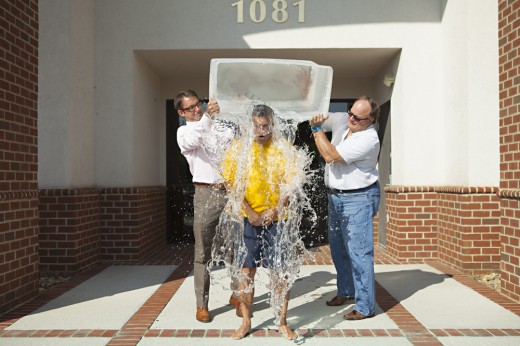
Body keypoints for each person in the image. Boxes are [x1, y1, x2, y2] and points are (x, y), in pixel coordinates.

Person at [222, 105, 298, 340]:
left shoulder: (284, 149)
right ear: (250, 125)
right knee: (247, 272)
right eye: (257, 125)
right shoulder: (239, 148)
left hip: (277, 218)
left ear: (272, 124)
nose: (261, 130)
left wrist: (275, 209)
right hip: (247, 217)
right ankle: (246, 321)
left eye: (265, 126)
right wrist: (248, 210)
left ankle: (282, 322)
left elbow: (292, 184)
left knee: (279, 272)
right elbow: (230, 184)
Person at [309, 96, 381, 321]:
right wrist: (311, 109)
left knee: (359, 253)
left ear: (369, 120)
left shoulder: (369, 139)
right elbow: (317, 116)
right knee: (339, 249)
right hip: (336, 197)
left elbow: (331, 156)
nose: (350, 118)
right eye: (350, 112)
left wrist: (316, 128)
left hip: (357, 198)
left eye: (357, 118)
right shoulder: (344, 120)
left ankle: (365, 306)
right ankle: (347, 291)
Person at [175, 90, 239, 323]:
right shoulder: (184, 131)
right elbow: (195, 140)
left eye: (198, 104)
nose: (197, 109)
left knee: (235, 247)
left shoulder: (217, 124)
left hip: (230, 191)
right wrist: (208, 119)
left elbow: (236, 145)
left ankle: (237, 295)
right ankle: (202, 304)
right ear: (181, 112)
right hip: (205, 193)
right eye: (191, 107)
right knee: (203, 252)